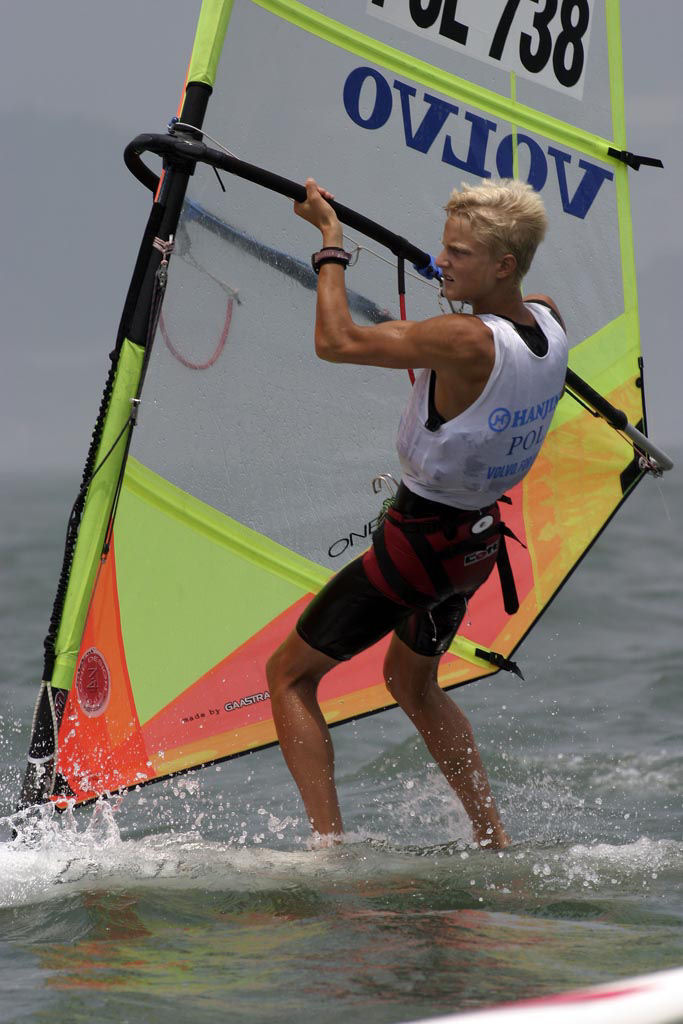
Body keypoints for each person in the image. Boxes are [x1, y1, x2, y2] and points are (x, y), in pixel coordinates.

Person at [266, 177, 568, 849]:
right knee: (411, 681)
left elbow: (337, 341)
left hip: (422, 548)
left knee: (287, 675)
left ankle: (327, 850)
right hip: (473, 549)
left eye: (458, 253)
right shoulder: (548, 319)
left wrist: (331, 242)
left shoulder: (464, 340)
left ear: (503, 266)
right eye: (442, 248)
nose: (442, 263)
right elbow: (507, 323)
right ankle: (493, 837)